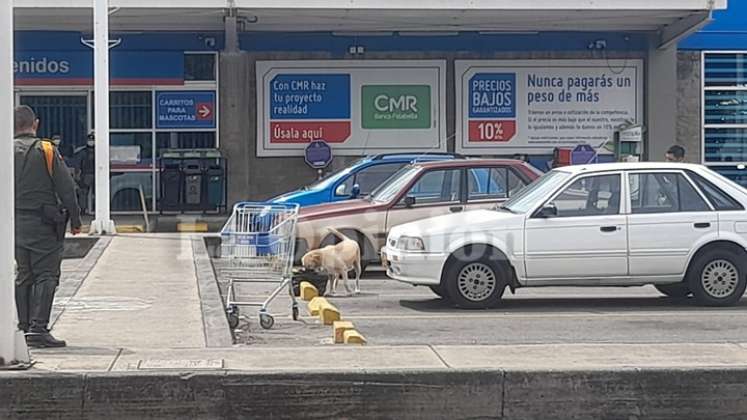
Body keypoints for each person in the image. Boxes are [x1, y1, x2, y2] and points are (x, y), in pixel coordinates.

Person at [14, 105, 81, 348]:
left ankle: (22, 327)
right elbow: (67, 189)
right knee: (46, 274)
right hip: (43, 224)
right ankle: (38, 328)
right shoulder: (46, 149)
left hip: (13, 225)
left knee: (23, 274)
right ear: (36, 124)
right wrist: (75, 219)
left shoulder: (4, 149)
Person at [74, 131, 96, 214]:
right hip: (86, 174)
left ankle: (96, 209)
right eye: (90, 140)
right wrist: (78, 174)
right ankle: (83, 210)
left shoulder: (98, 151)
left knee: (97, 194)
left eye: (92, 140)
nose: (91, 142)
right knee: (83, 193)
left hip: (96, 174)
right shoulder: (83, 152)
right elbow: (78, 163)